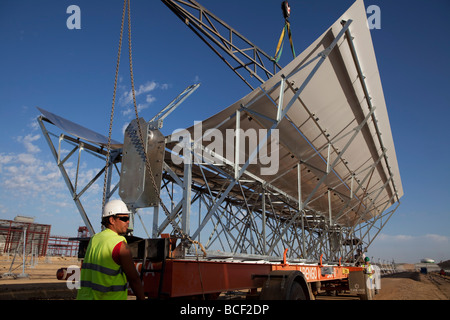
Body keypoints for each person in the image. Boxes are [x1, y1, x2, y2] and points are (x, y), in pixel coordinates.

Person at [77, 199, 145, 300]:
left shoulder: (94, 239)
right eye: (124, 218)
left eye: (128, 218)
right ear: (112, 220)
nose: (128, 222)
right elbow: (133, 278)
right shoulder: (119, 244)